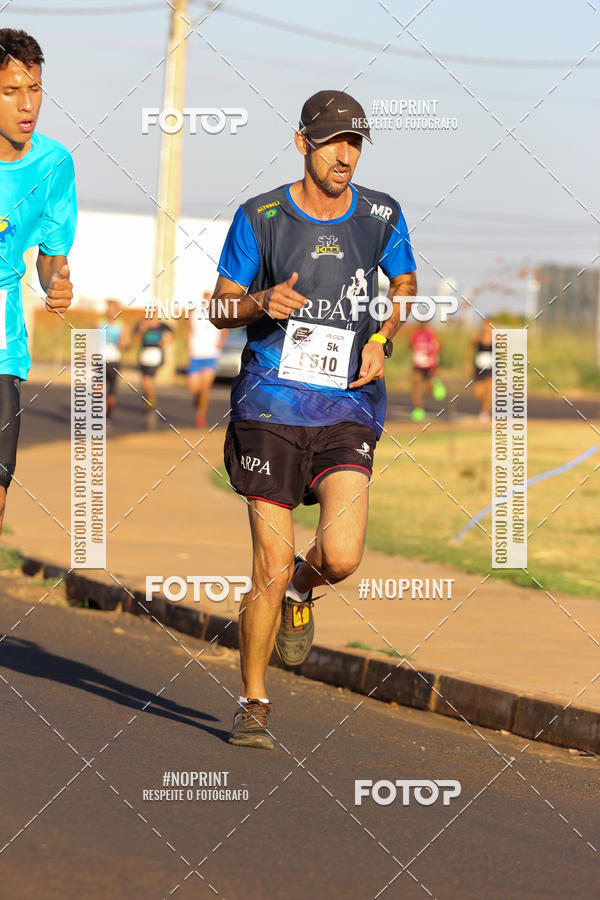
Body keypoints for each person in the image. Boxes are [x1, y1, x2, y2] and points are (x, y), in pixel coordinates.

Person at [210, 90, 417, 749]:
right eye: (333, 141)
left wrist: (384, 339)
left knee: (343, 554)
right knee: (268, 564)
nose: (345, 155)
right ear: (303, 142)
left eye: (355, 142)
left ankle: (304, 591)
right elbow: (218, 309)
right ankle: (254, 700)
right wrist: (260, 300)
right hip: (270, 407)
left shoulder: (382, 215)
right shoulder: (261, 217)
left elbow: (405, 284)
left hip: (347, 406)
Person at [0, 29, 76, 535]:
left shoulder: (53, 165)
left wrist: (57, 280)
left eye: (36, 89)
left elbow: (51, 256)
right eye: (11, 92)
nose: (28, 105)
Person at [187, 290, 228, 427]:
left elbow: (225, 331)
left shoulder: (218, 313)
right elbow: (188, 330)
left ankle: (200, 416)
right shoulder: (194, 314)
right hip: (196, 354)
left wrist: (221, 341)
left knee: (205, 387)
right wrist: (189, 346)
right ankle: (197, 400)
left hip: (211, 354)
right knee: (194, 388)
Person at [133, 310, 172, 430]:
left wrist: (165, 341)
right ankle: (149, 405)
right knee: (145, 385)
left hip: (156, 356)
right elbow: (135, 339)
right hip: (144, 355)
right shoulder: (141, 324)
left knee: (147, 381)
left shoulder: (163, 326)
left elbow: (172, 335)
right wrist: (142, 329)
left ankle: (152, 406)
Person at [99, 298, 130, 428]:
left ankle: (108, 417)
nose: (109, 311)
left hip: (114, 361)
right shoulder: (99, 324)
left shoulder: (122, 326)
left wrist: (123, 343)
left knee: (111, 394)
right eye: (107, 308)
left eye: (112, 308)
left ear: (117, 310)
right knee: (97, 390)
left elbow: (127, 344)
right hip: (99, 361)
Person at [410, 321, 446, 422]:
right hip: (417, 365)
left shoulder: (431, 333)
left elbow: (440, 345)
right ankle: (418, 409)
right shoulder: (414, 334)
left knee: (428, 388)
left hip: (430, 365)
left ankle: (436, 384)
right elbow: (411, 345)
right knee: (416, 386)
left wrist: (435, 349)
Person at [470, 317, 493, 420]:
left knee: (489, 391)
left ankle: (485, 412)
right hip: (479, 368)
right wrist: (468, 364)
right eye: (486, 324)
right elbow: (470, 350)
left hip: (491, 368)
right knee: (478, 393)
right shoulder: (477, 337)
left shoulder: (497, 339)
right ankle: (485, 406)